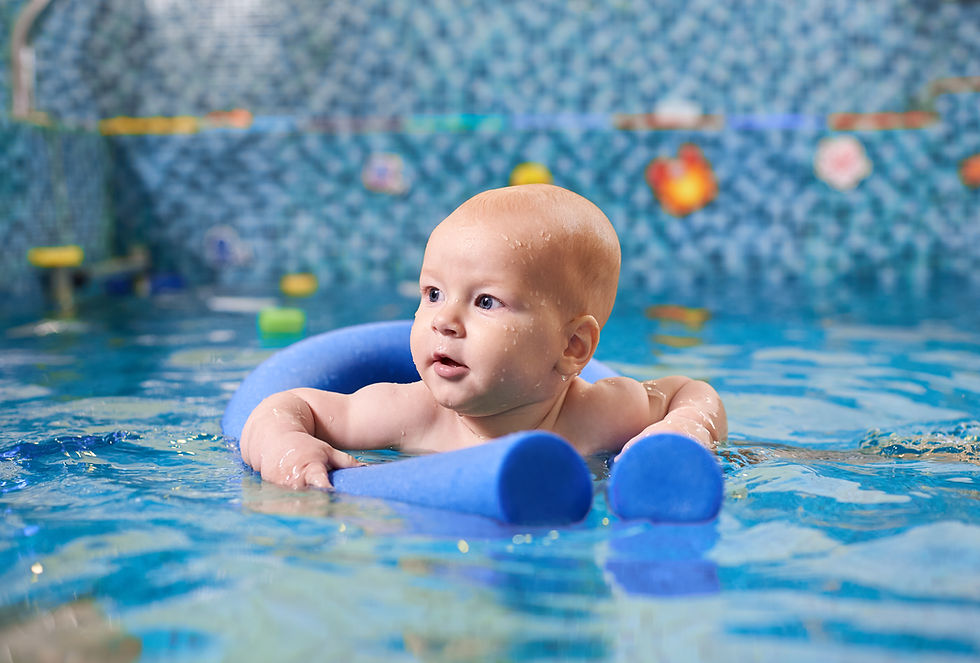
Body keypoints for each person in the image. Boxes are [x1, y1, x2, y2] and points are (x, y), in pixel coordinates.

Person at [240, 184, 727, 489]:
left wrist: (686, 428)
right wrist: (286, 447)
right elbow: (280, 408)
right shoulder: (412, 416)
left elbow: (691, 393)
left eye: (485, 302)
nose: (444, 320)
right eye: (432, 293)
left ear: (572, 347)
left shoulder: (599, 415)